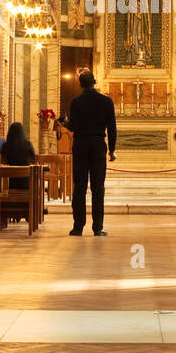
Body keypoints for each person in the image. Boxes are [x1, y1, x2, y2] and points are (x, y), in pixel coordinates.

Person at [60, 71, 116, 236]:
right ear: (95, 82)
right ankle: (98, 227)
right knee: (98, 188)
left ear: (80, 84)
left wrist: (65, 122)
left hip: (81, 145)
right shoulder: (106, 101)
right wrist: (112, 150)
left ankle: (78, 227)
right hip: (98, 145)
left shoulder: (76, 102)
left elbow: (74, 126)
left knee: (80, 187)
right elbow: (112, 127)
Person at [0, 122, 37, 191]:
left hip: (9, 184)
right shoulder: (28, 145)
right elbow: (33, 161)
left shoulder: (5, 146)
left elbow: (3, 162)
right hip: (26, 182)